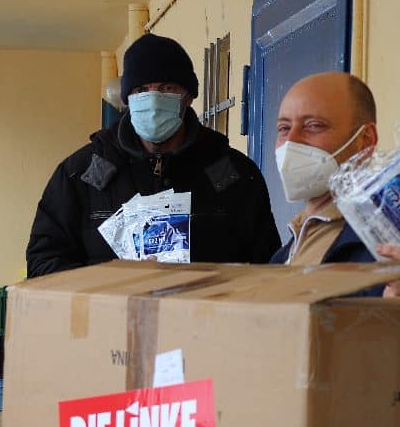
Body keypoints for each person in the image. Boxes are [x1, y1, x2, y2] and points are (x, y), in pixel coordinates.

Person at [26, 32, 280, 277]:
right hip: (109, 307)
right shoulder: (81, 175)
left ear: (188, 97)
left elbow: (267, 270)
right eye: (141, 90)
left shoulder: (235, 175)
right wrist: (111, 285)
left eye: (167, 87)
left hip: (207, 307)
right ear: (127, 99)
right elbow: (42, 263)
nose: (153, 99)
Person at [270, 71, 400, 295]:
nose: (291, 142)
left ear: (365, 140)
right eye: (284, 128)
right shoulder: (282, 256)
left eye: (313, 125)